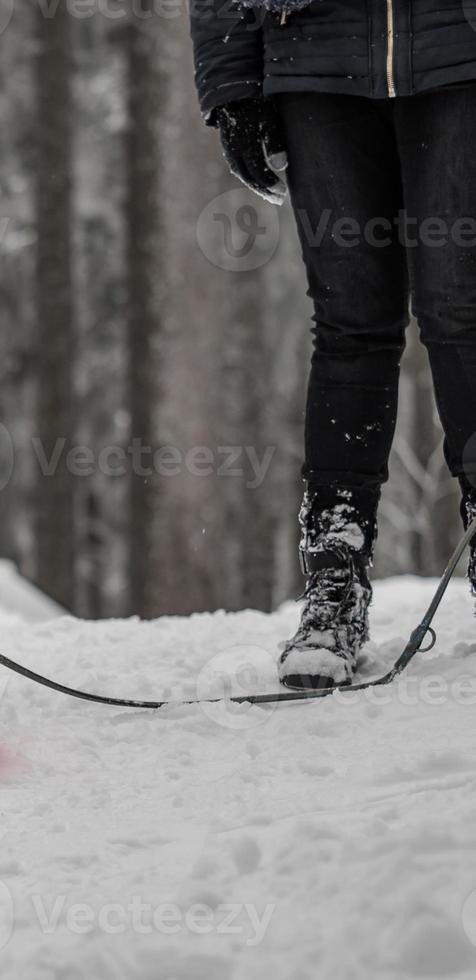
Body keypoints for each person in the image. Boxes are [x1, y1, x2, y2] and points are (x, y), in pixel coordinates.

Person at [190, 0, 476, 689]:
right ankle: (334, 584)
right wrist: (231, 82)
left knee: (460, 309)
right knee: (351, 325)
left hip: (457, 51)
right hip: (317, 56)